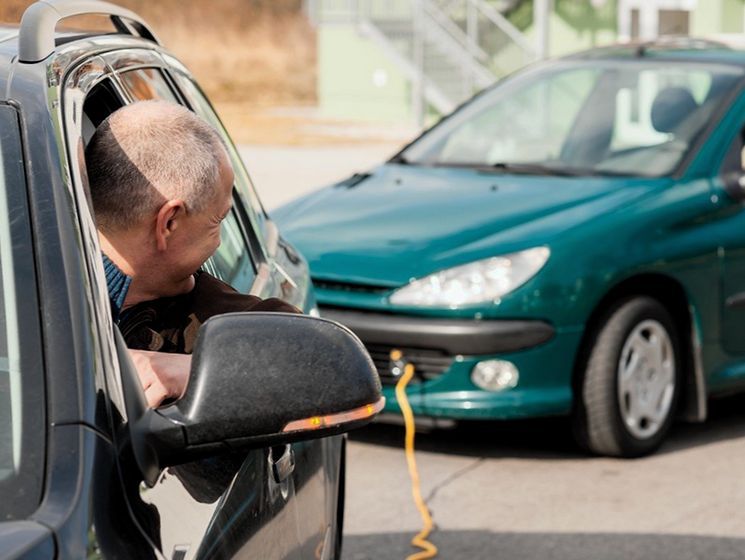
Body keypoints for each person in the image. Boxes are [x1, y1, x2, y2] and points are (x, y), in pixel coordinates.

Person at [85, 100, 297, 407]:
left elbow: (328, 364)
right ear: (168, 222)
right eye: (217, 221)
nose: (220, 243)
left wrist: (195, 371)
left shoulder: (216, 315)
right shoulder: (14, 296)